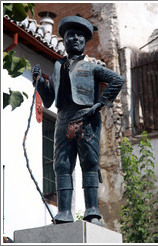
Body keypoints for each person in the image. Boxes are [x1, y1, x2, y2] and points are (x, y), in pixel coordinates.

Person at [32, 15, 124, 226]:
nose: (74, 38)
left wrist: (101, 104)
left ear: (84, 42)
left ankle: (92, 211)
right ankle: (64, 212)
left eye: (79, 36)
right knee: (62, 165)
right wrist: (39, 81)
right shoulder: (58, 67)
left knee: (89, 164)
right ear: (63, 40)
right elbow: (48, 101)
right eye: (69, 35)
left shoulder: (92, 68)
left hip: (86, 118)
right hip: (63, 118)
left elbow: (117, 80)